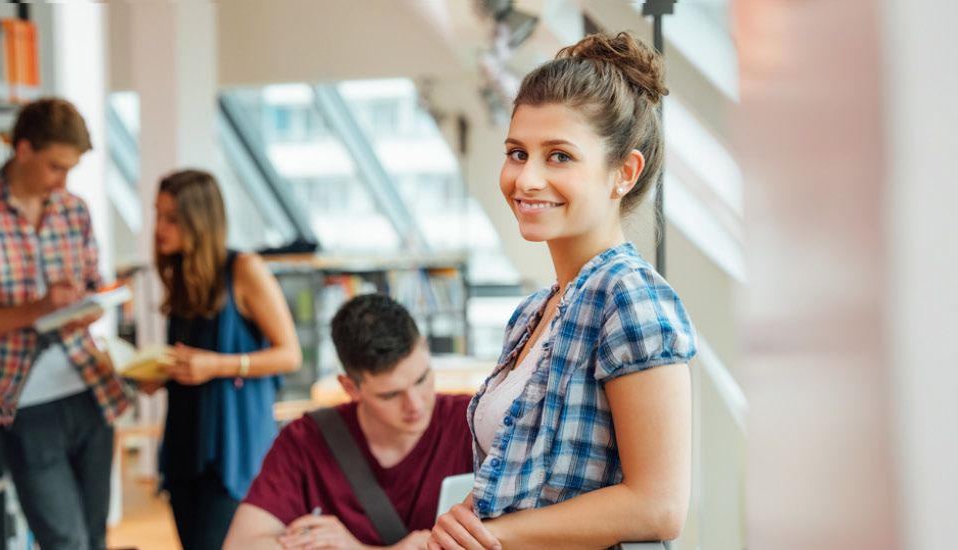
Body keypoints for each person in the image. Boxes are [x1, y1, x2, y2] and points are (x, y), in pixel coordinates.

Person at [429, 31, 696, 550]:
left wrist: (498, 535)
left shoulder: (630, 297)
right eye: (517, 152)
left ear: (624, 173)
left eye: (559, 157)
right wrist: (465, 521)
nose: (526, 179)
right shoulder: (536, 311)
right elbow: (523, 483)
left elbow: (658, 506)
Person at [0, 98, 131, 550]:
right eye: (54, 167)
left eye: (70, 169)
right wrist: (37, 309)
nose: (62, 181)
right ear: (22, 149)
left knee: (94, 536)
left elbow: (93, 290)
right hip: (22, 401)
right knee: (64, 540)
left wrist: (90, 303)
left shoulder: (73, 211)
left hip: (88, 389)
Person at [225, 294, 474, 550]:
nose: (416, 404)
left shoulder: (474, 421)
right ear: (350, 387)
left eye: (422, 379)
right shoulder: (305, 440)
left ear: (425, 348)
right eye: (390, 394)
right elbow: (240, 545)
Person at [142, 169, 303, 550]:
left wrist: (217, 365)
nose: (159, 227)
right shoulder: (181, 273)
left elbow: (289, 354)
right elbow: (192, 357)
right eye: (158, 214)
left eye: (172, 218)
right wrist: (160, 373)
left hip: (232, 449)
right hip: (186, 445)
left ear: (200, 221)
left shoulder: (244, 270)